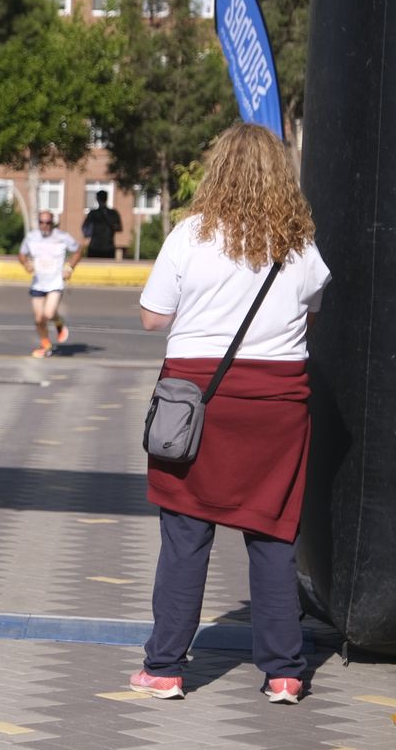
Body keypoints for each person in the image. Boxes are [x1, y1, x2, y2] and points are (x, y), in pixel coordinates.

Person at [129, 122, 329, 705]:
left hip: (197, 404)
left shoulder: (190, 235)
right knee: (272, 536)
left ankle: (164, 668)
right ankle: (285, 673)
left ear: (218, 170)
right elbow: (309, 319)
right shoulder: (300, 245)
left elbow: (151, 318)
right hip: (278, 408)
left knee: (185, 536)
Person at [18, 210, 82, 358]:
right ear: (38, 223)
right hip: (38, 283)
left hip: (55, 282)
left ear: (53, 224)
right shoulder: (31, 237)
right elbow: (21, 254)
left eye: (47, 223)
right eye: (41, 222)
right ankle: (46, 344)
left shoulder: (62, 237)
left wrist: (69, 267)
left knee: (49, 314)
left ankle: (59, 322)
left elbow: (78, 251)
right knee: (39, 319)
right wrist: (26, 264)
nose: (44, 226)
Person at [83, 190, 123, 259]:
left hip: (101, 247)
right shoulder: (112, 213)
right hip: (103, 247)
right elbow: (119, 228)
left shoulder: (110, 213)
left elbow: (85, 229)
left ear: (97, 199)